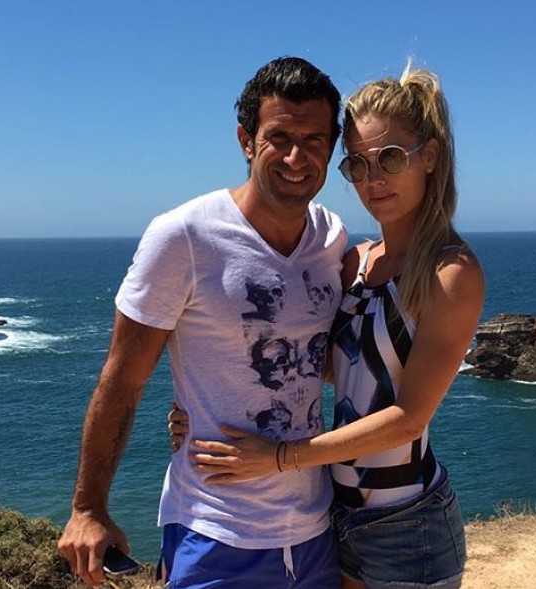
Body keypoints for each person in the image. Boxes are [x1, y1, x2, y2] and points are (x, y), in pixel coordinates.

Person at [172, 63, 485, 589]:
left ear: (429, 157)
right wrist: (201, 413)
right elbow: (310, 367)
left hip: (408, 524)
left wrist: (278, 459)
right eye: (357, 164)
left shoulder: (450, 273)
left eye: (390, 157)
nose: (373, 179)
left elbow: (408, 418)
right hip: (335, 513)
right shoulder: (354, 263)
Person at [58, 56, 347, 588]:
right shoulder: (184, 237)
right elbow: (122, 378)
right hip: (214, 531)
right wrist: (88, 508)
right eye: (279, 137)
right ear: (245, 140)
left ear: (332, 148)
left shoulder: (332, 238)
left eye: (314, 140)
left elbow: (326, 360)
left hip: (315, 528)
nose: (295, 157)